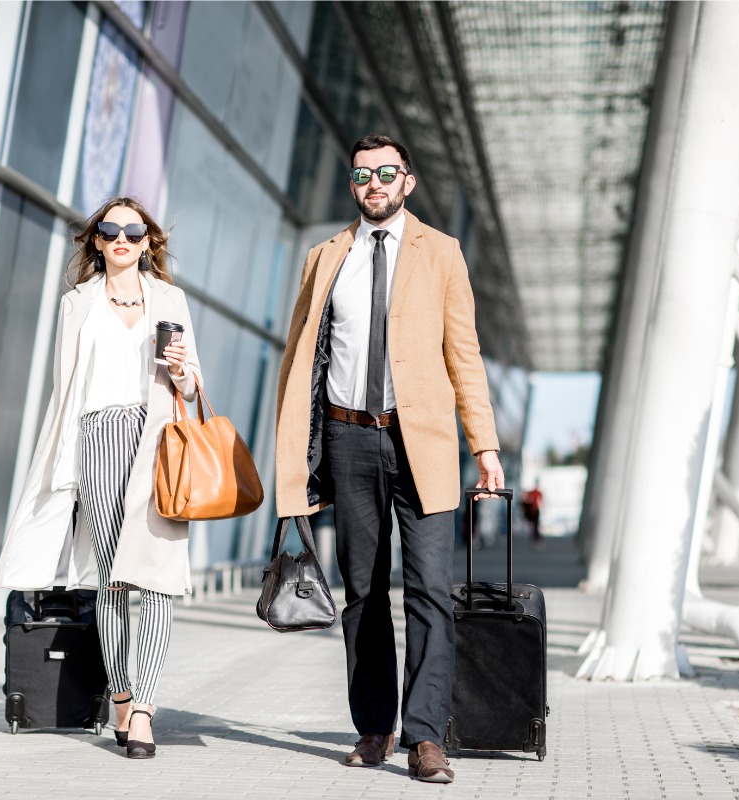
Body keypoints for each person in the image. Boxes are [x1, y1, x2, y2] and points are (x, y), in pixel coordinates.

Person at [274, 134, 503, 783]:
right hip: (350, 439)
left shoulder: (442, 254)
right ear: (353, 185)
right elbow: (299, 358)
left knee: (429, 588)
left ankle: (426, 736)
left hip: (423, 442)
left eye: (385, 172)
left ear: (407, 181)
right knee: (365, 591)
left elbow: (465, 353)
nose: (373, 183)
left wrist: (484, 445)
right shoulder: (325, 257)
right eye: (362, 174)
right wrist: (295, 449)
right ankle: (375, 727)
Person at [0, 197, 203, 760]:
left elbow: (190, 387)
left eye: (133, 232)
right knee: (113, 580)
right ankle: (120, 692)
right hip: (97, 440)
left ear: (148, 242)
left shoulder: (171, 299)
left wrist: (182, 369)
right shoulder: (77, 303)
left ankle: (143, 711)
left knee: (155, 578)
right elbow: (65, 392)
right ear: (96, 240)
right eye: (110, 231)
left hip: (157, 444)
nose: (122, 240)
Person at [521, 480, 544, 548]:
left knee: (534, 525)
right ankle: (535, 539)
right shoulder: (535, 492)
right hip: (534, 510)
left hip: (533, 510)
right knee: (535, 525)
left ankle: (535, 538)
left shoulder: (534, 492)